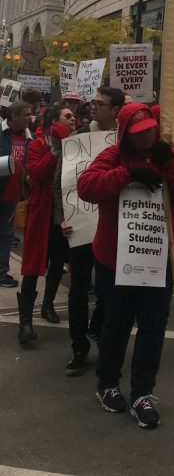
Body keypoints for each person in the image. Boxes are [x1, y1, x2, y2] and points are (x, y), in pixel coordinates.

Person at [78, 103, 174, 429]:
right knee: (116, 325)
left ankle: (143, 392)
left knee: (153, 327)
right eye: (138, 133)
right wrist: (127, 174)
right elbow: (86, 186)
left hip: (158, 257)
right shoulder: (112, 157)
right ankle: (108, 384)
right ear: (125, 134)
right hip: (116, 260)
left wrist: (170, 162)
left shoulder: (165, 156)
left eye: (149, 130)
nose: (145, 137)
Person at [61, 86, 124, 376]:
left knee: (108, 289)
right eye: (93, 103)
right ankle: (79, 348)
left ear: (115, 110)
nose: (93, 107)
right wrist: (61, 218)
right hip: (82, 226)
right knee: (79, 289)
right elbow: (59, 184)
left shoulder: (127, 140)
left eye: (100, 104)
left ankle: (98, 328)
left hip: (113, 226)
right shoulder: (78, 138)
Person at [17, 104, 76, 344]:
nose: (73, 119)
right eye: (68, 116)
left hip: (64, 213)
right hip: (42, 213)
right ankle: (25, 323)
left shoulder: (75, 145)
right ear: (54, 122)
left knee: (58, 260)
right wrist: (54, 152)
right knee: (32, 266)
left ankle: (48, 305)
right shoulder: (38, 145)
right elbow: (36, 174)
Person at [0, 101, 33, 288]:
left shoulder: (30, 137)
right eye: (26, 114)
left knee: (6, 234)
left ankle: (2, 273)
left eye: (31, 114)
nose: (30, 117)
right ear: (13, 117)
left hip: (13, 197)